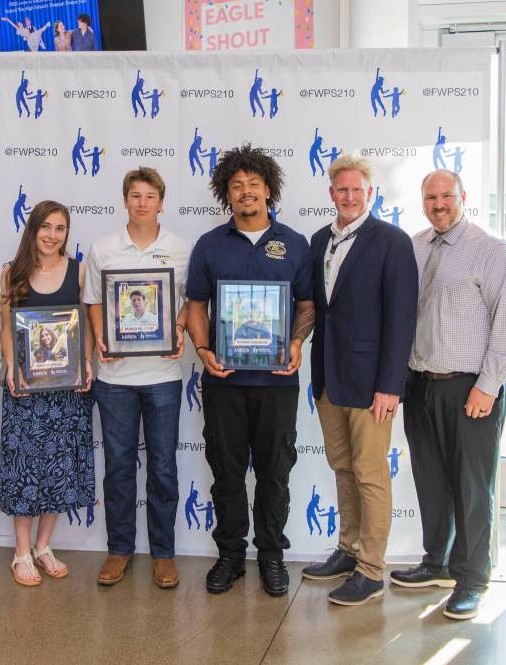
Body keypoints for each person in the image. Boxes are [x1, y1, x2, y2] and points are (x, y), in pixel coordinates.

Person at [391, 170, 506, 619]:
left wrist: (488, 387)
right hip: (421, 383)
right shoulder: (413, 247)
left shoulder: (491, 250)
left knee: (472, 487)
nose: (438, 203)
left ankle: (472, 579)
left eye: (446, 195)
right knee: (432, 481)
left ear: (463, 197)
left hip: (471, 387)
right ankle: (438, 562)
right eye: (430, 196)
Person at [186, 144, 314, 597]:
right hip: (224, 381)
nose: (245, 192)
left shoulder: (294, 243)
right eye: (236, 186)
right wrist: (202, 348)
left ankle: (272, 556)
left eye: (253, 185)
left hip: (277, 383)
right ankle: (231, 556)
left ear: (268, 190)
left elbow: (306, 305)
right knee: (226, 471)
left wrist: (296, 341)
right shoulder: (209, 245)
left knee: (275, 471)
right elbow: (195, 305)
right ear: (226, 192)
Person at [300, 156, 418, 606]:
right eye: (341, 189)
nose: (349, 197)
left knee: (370, 474)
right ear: (331, 193)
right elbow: (315, 309)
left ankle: (370, 569)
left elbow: (401, 319)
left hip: (372, 385)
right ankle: (348, 550)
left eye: (357, 190)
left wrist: (391, 385)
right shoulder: (318, 241)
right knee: (342, 467)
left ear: (371, 194)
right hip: (329, 379)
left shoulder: (391, 241)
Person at [84, 167, 191, 589]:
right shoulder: (104, 248)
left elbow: (189, 301)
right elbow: (93, 301)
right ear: (125, 201)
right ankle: (119, 549)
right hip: (114, 378)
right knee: (118, 468)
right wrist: (100, 339)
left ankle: (164, 554)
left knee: (163, 469)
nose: (142, 202)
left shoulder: (181, 249)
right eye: (135, 195)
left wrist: (178, 327)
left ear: (161, 202)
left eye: (150, 196)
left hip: (163, 374)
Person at [0, 201, 95, 587]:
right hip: (25, 390)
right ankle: (20, 553)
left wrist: (86, 362)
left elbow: (86, 324)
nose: (53, 235)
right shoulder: (12, 273)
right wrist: (11, 368)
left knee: (59, 470)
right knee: (23, 470)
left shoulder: (79, 272)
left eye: (61, 228)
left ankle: (43, 547)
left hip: (66, 391)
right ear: (33, 230)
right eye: (47, 227)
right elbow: (6, 328)